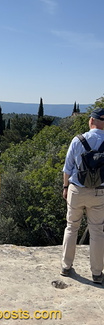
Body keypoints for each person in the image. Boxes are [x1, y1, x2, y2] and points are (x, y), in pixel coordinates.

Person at [60, 107, 104, 284]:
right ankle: (97, 273)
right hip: (99, 193)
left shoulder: (78, 140)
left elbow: (67, 168)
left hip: (77, 190)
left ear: (91, 121)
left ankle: (66, 266)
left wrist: (65, 187)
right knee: (97, 232)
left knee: (71, 227)